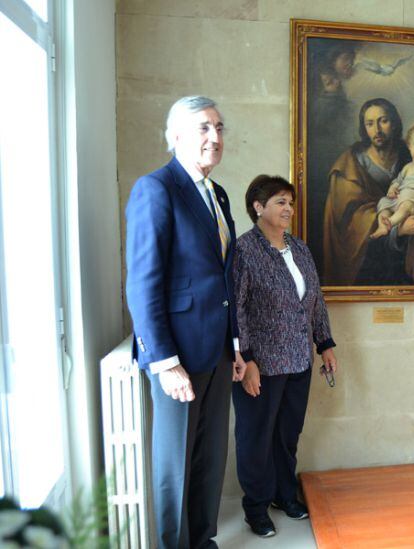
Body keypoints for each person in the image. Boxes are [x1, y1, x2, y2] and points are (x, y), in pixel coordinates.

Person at [125, 95, 246, 548]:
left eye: (219, 128)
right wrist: (165, 361)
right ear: (175, 135)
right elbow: (142, 284)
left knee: (210, 457)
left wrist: (235, 346)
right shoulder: (156, 189)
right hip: (178, 354)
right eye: (202, 128)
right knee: (176, 462)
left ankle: (202, 541)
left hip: (216, 349)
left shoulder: (217, 194)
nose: (214, 137)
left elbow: (223, 279)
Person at [232, 175, 338, 538]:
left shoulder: (300, 249)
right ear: (258, 207)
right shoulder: (244, 251)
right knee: (256, 436)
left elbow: (315, 300)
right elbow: (238, 311)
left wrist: (325, 343)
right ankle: (256, 506)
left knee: (287, 434)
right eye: (280, 201)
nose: (289, 208)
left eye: (290, 202)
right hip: (260, 363)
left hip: (299, 360)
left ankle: (283, 494)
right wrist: (246, 360)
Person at [323, 97, 414, 285]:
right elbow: (350, 219)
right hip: (368, 263)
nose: (377, 130)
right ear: (364, 128)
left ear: (395, 124)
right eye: (370, 124)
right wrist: (399, 230)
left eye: (383, 121)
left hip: (408, 260)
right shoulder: (351, 164)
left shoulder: (411, 153)